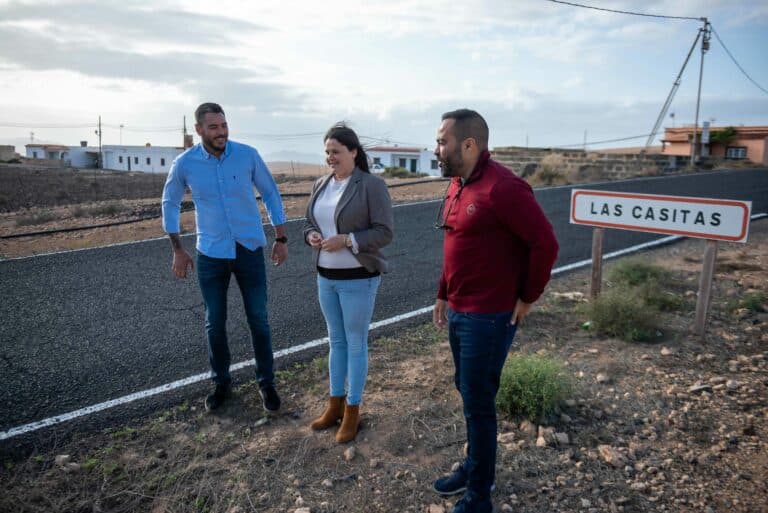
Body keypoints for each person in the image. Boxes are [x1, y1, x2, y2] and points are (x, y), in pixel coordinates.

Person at [431, 109, 559, 513]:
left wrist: (528, 296)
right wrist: (442, 293)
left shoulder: (504, 188)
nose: (437, 149)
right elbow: (454, 245)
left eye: (442, 142)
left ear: (468, 145)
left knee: (480, 403)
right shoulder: (458, 184)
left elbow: (546, 244)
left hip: (489, 317)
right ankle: (473, 466)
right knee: (469, 394)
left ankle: (479, 495)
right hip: (460, 311)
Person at [161, 102, 288, 413]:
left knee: (258, 319)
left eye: (224, 125)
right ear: (200, 130)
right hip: (211, 254)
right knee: (214, 323)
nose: (221, 132)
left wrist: (281, 237)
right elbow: (169, 203)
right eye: (214, 127)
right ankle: (221, 384)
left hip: (248, 249)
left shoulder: (247, 155)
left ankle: (266, 383)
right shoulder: (185, 164)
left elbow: (270, 193)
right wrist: (177, 248)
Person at [303, 123, 394, 443]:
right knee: (335, 342)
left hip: (358, 278)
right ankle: (334, 406)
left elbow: (384, 232)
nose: (330, 157)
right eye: (327, 152)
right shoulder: (320, 184)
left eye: (336, 152)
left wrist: (348, 240)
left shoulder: (371, 185)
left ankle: (353, 411)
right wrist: (311, 235)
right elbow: (310, 222)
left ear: (353, 152)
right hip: (325, 277)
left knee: (355, 344)